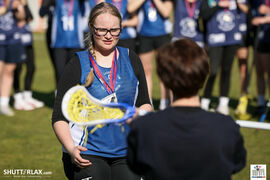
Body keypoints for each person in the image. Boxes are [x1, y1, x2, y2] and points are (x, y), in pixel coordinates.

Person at [52, 2, 152, 180]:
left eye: (114, 30)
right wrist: (71, 148)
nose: (108, 36)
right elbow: (59, 116)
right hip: (87, 154)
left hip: (126, 152)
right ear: (91, 28)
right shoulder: (77, 63)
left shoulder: (131, 58)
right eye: (102, 30)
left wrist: (140, 113)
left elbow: (145, 102)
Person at [127, 38, 247, 180]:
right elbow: (237, 164)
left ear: (163, 78)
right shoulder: (226, 127)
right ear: (203, 76)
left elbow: (135, 165)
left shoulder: (143, 128)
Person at [199, 0, 247, 115]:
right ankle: (205, 102)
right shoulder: (210, 1)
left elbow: (247, 13)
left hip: (231, 40)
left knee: (227, 71)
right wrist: (218, 5)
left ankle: (223, 103)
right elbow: (203, 15)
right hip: (215, 40)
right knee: (213, 71)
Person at [127, 0, 173, 110]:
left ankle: (164, 102)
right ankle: (148, 102)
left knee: (164, 70)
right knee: (146, 70)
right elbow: (130, 8)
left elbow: (166, 12)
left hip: (162, 35)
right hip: (144, 36)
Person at [13, 0, 44, 110]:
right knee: (18, 69)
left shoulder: (23, 3)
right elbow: (19, 18)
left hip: (27, 40)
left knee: (31, 67)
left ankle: (27, 95)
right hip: (16, 40)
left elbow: (29, 17)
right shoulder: (12, 4)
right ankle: (17, 96)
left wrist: (25, 5)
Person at [0, 0, 25, 116]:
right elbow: (3, 11)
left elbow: (22, 19)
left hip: (13, 40)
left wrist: (19, 8)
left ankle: (4, 103)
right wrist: (7, 6)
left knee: (9, 72)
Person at [252, 0, 270, 115]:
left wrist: (266, 13)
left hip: (268, 39)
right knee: (259, 72)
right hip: (259, 37)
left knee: (269, 73)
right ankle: (261, 103)